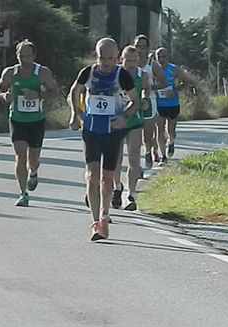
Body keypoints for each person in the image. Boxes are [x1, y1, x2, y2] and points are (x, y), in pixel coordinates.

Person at [68, 38, 139, 241]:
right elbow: (74, 91)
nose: (106, 63)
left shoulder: (122, 75)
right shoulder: (88, 73)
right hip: (91, 129)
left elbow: (135, 102)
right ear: (96, 56)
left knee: (107, 179)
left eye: (110, 58)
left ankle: (105, 215)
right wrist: (76, 114)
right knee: (91, 175)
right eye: (102, 58)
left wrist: (124, 117)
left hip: (113, 132)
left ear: (117, 57)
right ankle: (94, 223)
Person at [0, 39, 58, 207]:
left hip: (36, 120)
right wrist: (4, 96)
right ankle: (23, 193)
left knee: (33, 159)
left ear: (34, 56)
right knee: (20, 156)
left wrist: (39, 95)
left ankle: (34, 172)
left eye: (27, 56)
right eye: (21, 56)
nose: (24, 60)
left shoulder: (42, 73)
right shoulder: (10, 73)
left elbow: (54, 93)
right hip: (17, 119)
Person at [111, 45, 150, 211]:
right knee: (116, 159)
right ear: (121, 59)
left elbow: (146, 90)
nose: (132, 64)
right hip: (117, 120)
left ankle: (131, 194)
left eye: (135, 61)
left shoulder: (143, 75)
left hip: (135, 121)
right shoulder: (114, 74)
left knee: (134, 158)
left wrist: (145, 99)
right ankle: (117, 187)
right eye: (128, 60)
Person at [154, 47, 193, 163]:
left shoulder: (174, 69)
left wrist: (175, 91)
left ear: (168, 57)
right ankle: (163, 156)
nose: (161, 59)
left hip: (172, 103)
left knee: (171, 130)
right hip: (159, 103)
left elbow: (185, 82)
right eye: (159, 57)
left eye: (164, 56)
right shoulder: (154, 69)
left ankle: (171, 142)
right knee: (159, 129)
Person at [134, 35, 167, 169]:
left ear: (147, 48)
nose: (140, 50)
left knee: (148, 133)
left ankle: (148, 151)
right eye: (137, 46)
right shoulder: (130, 62)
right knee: (135, 133)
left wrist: (149, 88)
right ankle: (140, 160)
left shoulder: (152, 65)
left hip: (150, 101)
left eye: (143, 47)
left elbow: (164, 82)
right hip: (133, 101)